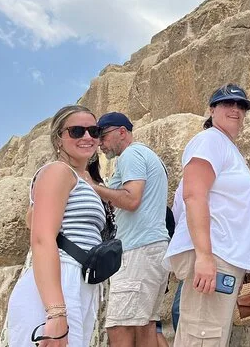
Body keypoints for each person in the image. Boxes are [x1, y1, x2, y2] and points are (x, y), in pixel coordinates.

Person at [164, 84, 250, 347]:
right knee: (203, 336)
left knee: (209, 335)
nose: (236, 109)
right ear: (211, 109)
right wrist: (205, 256)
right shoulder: (210, 140)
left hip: (222, 256)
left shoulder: (225, 147)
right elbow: (194, 196)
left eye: (241, 105)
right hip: (214, 254)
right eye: (227, 103)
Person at [8, 105, 106, 346]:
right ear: (58, 139)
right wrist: (55, 312)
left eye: (94, 131)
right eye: (76, 131)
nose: (87, 137)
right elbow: (42, 238)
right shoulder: (57, 171)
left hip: (77, 281)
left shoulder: (78, 178)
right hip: (61, 279)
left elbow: (33, 218)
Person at [89, 112, 170, 347]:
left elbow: (131, 200)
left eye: (103, 136)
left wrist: (93, 187)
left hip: (137, 250)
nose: (100, 144)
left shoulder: (131, 155)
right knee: (145, 325)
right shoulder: (147, 155)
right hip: (152, 248)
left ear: (122, 132)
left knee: (119, 326)